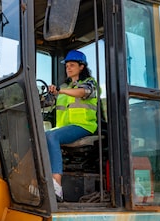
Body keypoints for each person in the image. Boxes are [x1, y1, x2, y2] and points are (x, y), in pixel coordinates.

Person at [45, 50, 98, 202]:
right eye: (67, 65)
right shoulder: (64, 87)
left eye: (72, 65)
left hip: (83, 126)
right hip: (66, 127)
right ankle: (42, 177)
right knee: (39, 136)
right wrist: (50, 94)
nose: (68, 68)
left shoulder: (89, 83)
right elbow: (49, 105)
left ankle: (56, 183)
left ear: (81, 67)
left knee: (52, 135)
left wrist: (61, 90)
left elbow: (83, 92)